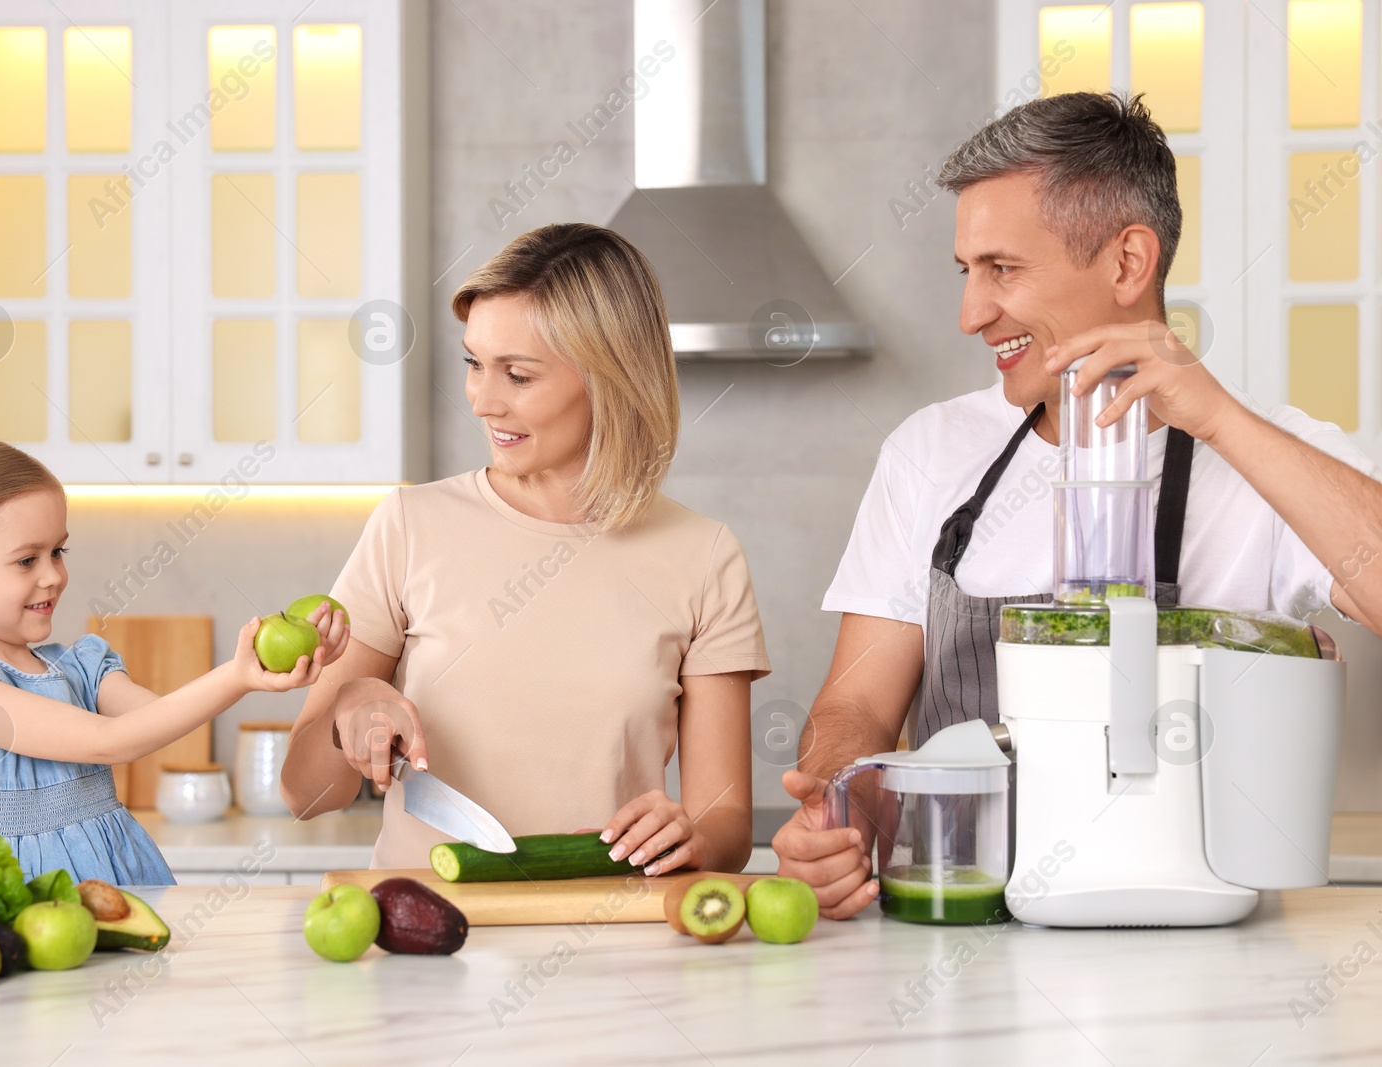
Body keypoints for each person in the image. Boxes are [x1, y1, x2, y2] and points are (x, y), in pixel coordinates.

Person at [772, 92, 1382, 919]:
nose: (970, 314)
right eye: (967, 271)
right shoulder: (931, 451)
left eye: (1004, 269)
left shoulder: (1271, 453)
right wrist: (839, 810)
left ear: (1129, 262)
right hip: (962, 933)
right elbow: (856, 705)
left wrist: (1219, 420)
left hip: (1206, 948)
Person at [280, 223, 768, 876]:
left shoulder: (703, 556)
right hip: (423, 946)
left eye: (518, 374)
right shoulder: (408, 525)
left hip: (613, 946)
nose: (483, 400)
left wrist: (693, 835)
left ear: (611, 378)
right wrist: (352, 705)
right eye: (474, 364)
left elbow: (727, 823)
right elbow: (305, 794)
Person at [0, 435, 342, 884]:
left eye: (59, 552)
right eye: (27, 559)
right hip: (14, 912)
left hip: (112, 893)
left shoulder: (76, 666)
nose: (53, 575)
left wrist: (263, 665)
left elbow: (158, 720)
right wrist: (237, 677)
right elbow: (109, 743)